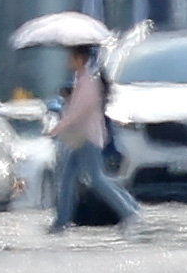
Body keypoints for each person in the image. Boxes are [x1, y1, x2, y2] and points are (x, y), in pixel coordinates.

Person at [47, 45, 139, 233]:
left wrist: (58, 128)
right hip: (81, 138)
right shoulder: (81, 80)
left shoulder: (89, 82)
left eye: (71, 58)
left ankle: (128, 211)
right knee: (67, 178)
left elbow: (78, 112)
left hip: (88, 138)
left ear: (80, 59)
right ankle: (61, 221)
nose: (68, 62)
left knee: (96, 179)